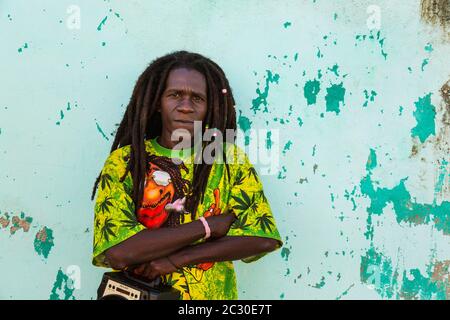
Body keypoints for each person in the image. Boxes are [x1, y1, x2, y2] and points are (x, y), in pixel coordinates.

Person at [91, 50, 283, 300]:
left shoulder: (227, 160)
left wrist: (177, 259)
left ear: (209, 106)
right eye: (175, 95)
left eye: (197, 98)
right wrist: (208, 226)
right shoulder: (127, 161)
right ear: (158, 102)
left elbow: (262, 237)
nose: (185, 106)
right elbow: (117, 250)